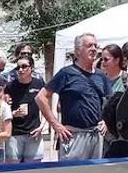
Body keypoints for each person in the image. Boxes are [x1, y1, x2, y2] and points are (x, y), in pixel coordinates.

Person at [36, 33, 110, 161]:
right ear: (78, 51)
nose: (93, 48)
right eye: (89, 45)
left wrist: (106, 120)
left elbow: (109, 100)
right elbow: (40, 97)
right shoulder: (66, 73)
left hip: (96, 135)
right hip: (74, 136)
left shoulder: (101, 76)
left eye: (95, 45)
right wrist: (56, 125)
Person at [4, 57, 45, 163]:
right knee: (13, 169)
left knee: (34, 167)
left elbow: (46, 107)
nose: (21, 70)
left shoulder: (39, 84)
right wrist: (13, 113)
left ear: (31, 68)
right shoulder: (10, 86)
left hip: (34, 132)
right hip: (15, 134)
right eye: (18, 67)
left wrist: (42, 126)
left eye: (24, 66)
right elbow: (3, 109)